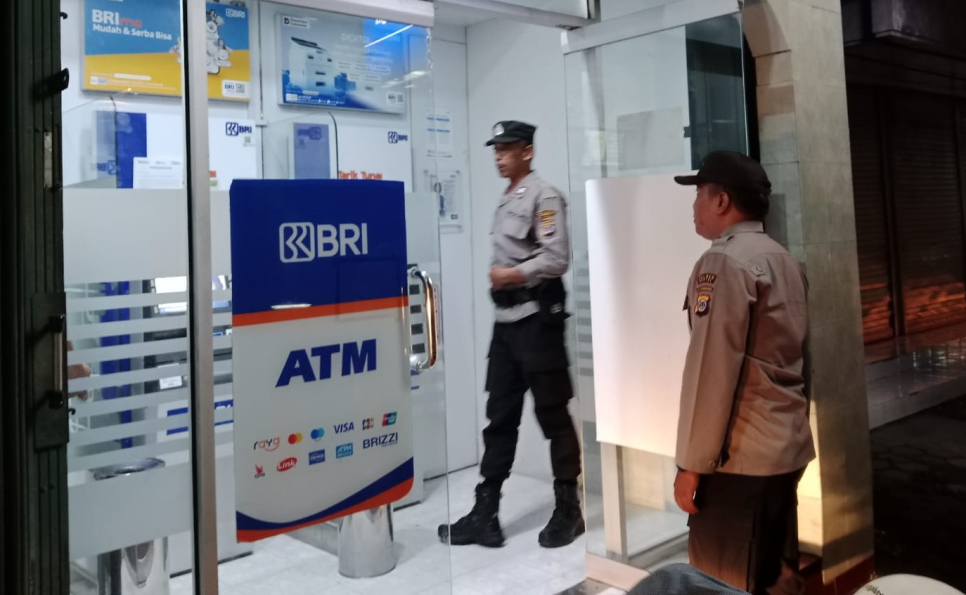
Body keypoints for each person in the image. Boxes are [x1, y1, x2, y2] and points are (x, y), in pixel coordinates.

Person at [672, 152, 816, 595]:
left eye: (699, 193)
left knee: (723, 581)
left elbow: (711, 372)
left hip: (741, 460)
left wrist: (691, 465)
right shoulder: (783, 259)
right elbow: (802, 358)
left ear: (721, 201)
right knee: (775, 578)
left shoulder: (724, 262)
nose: (694, 205)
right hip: (783, 449)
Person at [438, 121, 583, 549]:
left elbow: (557, 258)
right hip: (506, 326)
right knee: (499, 418)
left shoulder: (544, 196)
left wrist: (511, 275)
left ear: (527, 151)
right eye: (495, 150)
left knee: (553, 417)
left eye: (506, 149)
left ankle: (568, 509)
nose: (498, 157)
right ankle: (486, 514)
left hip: (537, 323)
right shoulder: (507, 198)